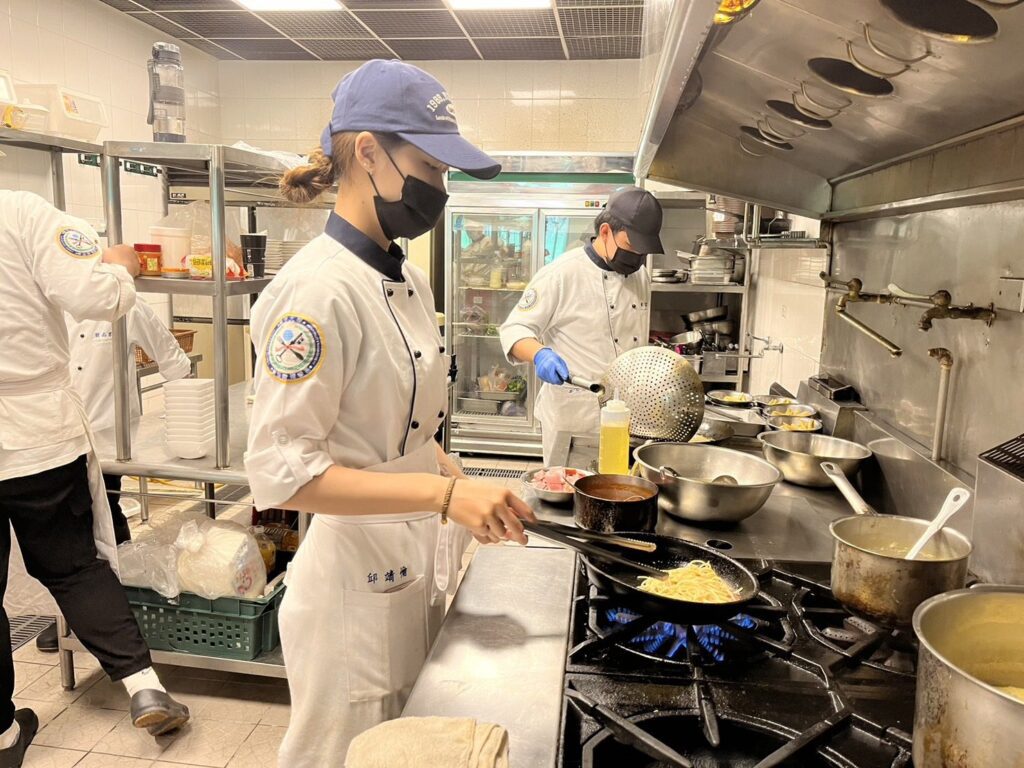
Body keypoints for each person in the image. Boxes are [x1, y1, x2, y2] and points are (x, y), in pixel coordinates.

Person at [244, 60, 537, 767]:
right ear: (368, 151)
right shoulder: (314, 292)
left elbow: (395, 423)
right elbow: (285, 474)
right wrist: (444, 496)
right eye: (432, 168)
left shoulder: (403, 275)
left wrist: (449, 471)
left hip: (409, 560)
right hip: (351, 586)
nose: (439, 188)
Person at [0, 191, 190, 765]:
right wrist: (120, 266)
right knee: (74, 566)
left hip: (32, 426)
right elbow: (92, 294)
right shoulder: (22, 213)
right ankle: (143, 687)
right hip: (33, 435)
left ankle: (2, 734)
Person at [499, 188, 663, 464]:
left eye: (643, 251)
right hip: (573, 414)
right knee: (567, 496)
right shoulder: (562, 274)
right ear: (606, 232)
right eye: (632, 247)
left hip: (625, 413)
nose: (637, 258)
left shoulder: (640, 276)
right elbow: (514, 329)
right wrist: (540, 354)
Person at [68, 302, 192, 543]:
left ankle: (119, 571)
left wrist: (187, 420)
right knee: (73, 515)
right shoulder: (50, 303)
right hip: (61, 432)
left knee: (106, 508)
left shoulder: (126, 305)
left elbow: (173, 361)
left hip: (110, 434)